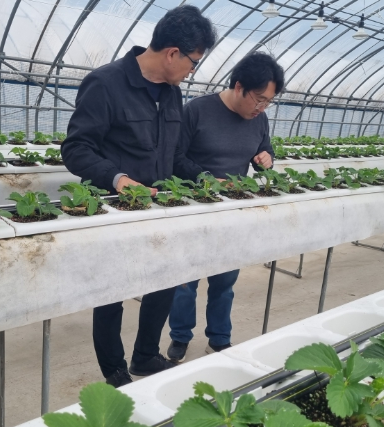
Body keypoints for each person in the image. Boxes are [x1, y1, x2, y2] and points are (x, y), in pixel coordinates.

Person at [61, 6, 216, 387]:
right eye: (193, 63)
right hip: (117, 209)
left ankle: (145, 356)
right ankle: (114, 371)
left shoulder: (172, 94)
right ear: (173, 53)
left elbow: (174, 156)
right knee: (111, 291)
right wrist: (119, 180)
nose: (192, 71)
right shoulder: (106, 83)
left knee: (166, 278)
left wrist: (208, 179)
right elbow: (76, 149)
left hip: (159, 208)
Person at [167, 51, 286, 363]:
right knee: (185, 281)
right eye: (259, 99)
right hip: (194, 208)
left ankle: (219, 339)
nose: (261, 107)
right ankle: (180, 336)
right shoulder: (198, 110)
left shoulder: (259, 120)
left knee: (225, 281)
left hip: (232, 211)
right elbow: (175, 157)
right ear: (239, 86)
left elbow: (264, 152)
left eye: (269, 102)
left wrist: (266, 159)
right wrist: (207, 179)